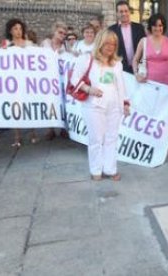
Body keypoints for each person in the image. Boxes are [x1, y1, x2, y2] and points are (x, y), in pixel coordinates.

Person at [70, 29, 130, 181]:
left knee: (112, 138)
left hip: (114, 106)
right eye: (108, 43)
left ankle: (110, 169)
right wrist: (89, 89)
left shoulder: (117, 63)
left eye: (114, 44)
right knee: (96, 139)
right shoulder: (87, 59)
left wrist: (125, 103)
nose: (111, 47)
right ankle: (96, 169)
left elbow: (121, 85)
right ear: (100, 43)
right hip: (93, 106)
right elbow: (74, 79)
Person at [4, 18, 38, 148]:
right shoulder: (7, 45)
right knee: (15, 108)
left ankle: (33, 133)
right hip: (13, 81)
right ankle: (17, 137)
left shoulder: (29, 44)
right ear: (10, 31)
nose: (18, 31)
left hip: (27, 80)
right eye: (15, 29)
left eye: (20, 28)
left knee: (29, 106)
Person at [132, 13, 168, 88]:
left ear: (163, 26)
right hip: (148, 83)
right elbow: (135, 60)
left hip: (167, 83)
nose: (157, 28)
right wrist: (136, 74)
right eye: (155, 26)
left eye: (160, 25)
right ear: (150, 26)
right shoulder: (143, 41)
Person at [40, 21, 70, 140]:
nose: (62, 35)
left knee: (62, 103)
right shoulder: (45, 44)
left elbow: (72, 58)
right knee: (50, 103)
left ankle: (63, 128)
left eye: (64, 33)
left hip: (61, 78)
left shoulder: (66, 45)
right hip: (48, 79)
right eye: (60, 32)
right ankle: (50, 129)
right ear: (54, 32)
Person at [108, 0, 146, 73]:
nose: (124, 14)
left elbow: (144, 48)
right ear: (117, 13)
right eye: (121, 11)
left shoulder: (139, 28)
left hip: (139, 68)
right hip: (120, 69)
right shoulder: (111, 30)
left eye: (126, 11)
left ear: (129, 12)